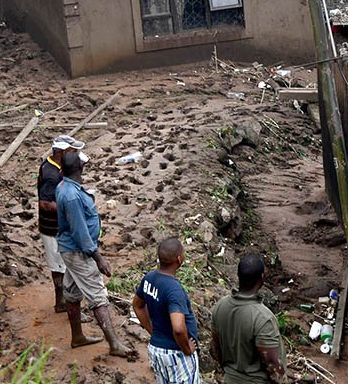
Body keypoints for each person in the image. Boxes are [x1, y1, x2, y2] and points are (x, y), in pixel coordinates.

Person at [55, 149, 133, 358]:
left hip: (69, 250)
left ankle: (77, 336)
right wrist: (98, 257)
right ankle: (114, 344)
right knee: (98, 296)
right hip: (78, 251)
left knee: (71, 292)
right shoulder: (72, 196)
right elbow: (80, 231)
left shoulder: (64, 187)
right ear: (80, 168)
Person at [132, 238, 200, 384]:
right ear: (179, 258)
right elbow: (178, 329)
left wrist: (153, 331)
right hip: (176, 355)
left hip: (156, 349)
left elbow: (137, 305)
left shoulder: (149, 278)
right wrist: (187, 349)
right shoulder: (174, 290)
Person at [210, 254, 286, 384]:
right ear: (262, 278)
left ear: (238, 276)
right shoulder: (263, 318)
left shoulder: (220, 306)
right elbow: (272, 364)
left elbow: (215, 349)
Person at [37, 135, 84, 313]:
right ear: (63, 151)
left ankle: (63, 300)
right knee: (58, 265)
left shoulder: (56, 167)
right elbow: (45, 203)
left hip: (58, 225)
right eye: (73, 151)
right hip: (52, 227)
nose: (76, 154)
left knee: (62, 264)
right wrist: (69, 207)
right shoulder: (50, 173)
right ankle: (61, 302)